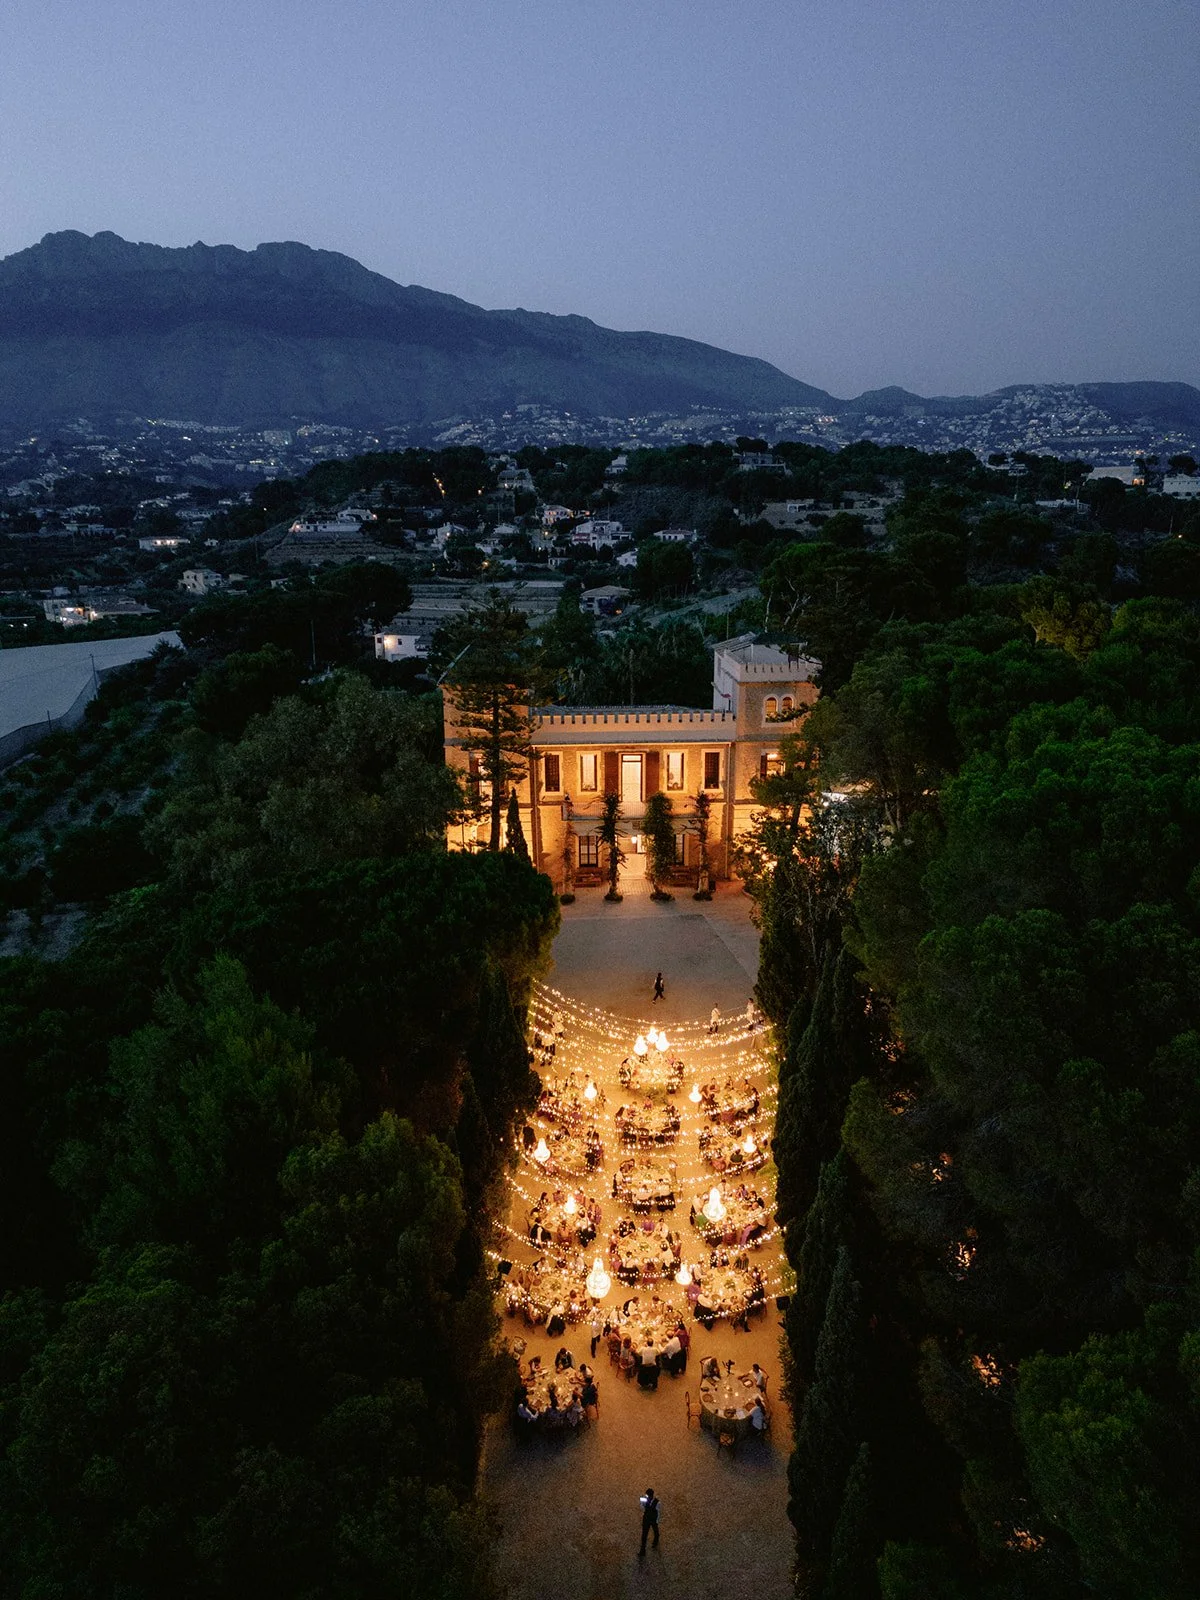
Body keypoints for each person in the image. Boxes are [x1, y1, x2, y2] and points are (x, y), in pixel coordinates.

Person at [638, 1488, 661, 1555]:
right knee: (644, 1535)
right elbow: (641, 1506)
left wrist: (657, 1520)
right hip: (648, 1519)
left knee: (655, 1531)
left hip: (651, 1519)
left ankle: (655, 1542)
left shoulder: (657, 1502)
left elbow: (658, 1512)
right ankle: (643, 1550)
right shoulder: (653, 1501)